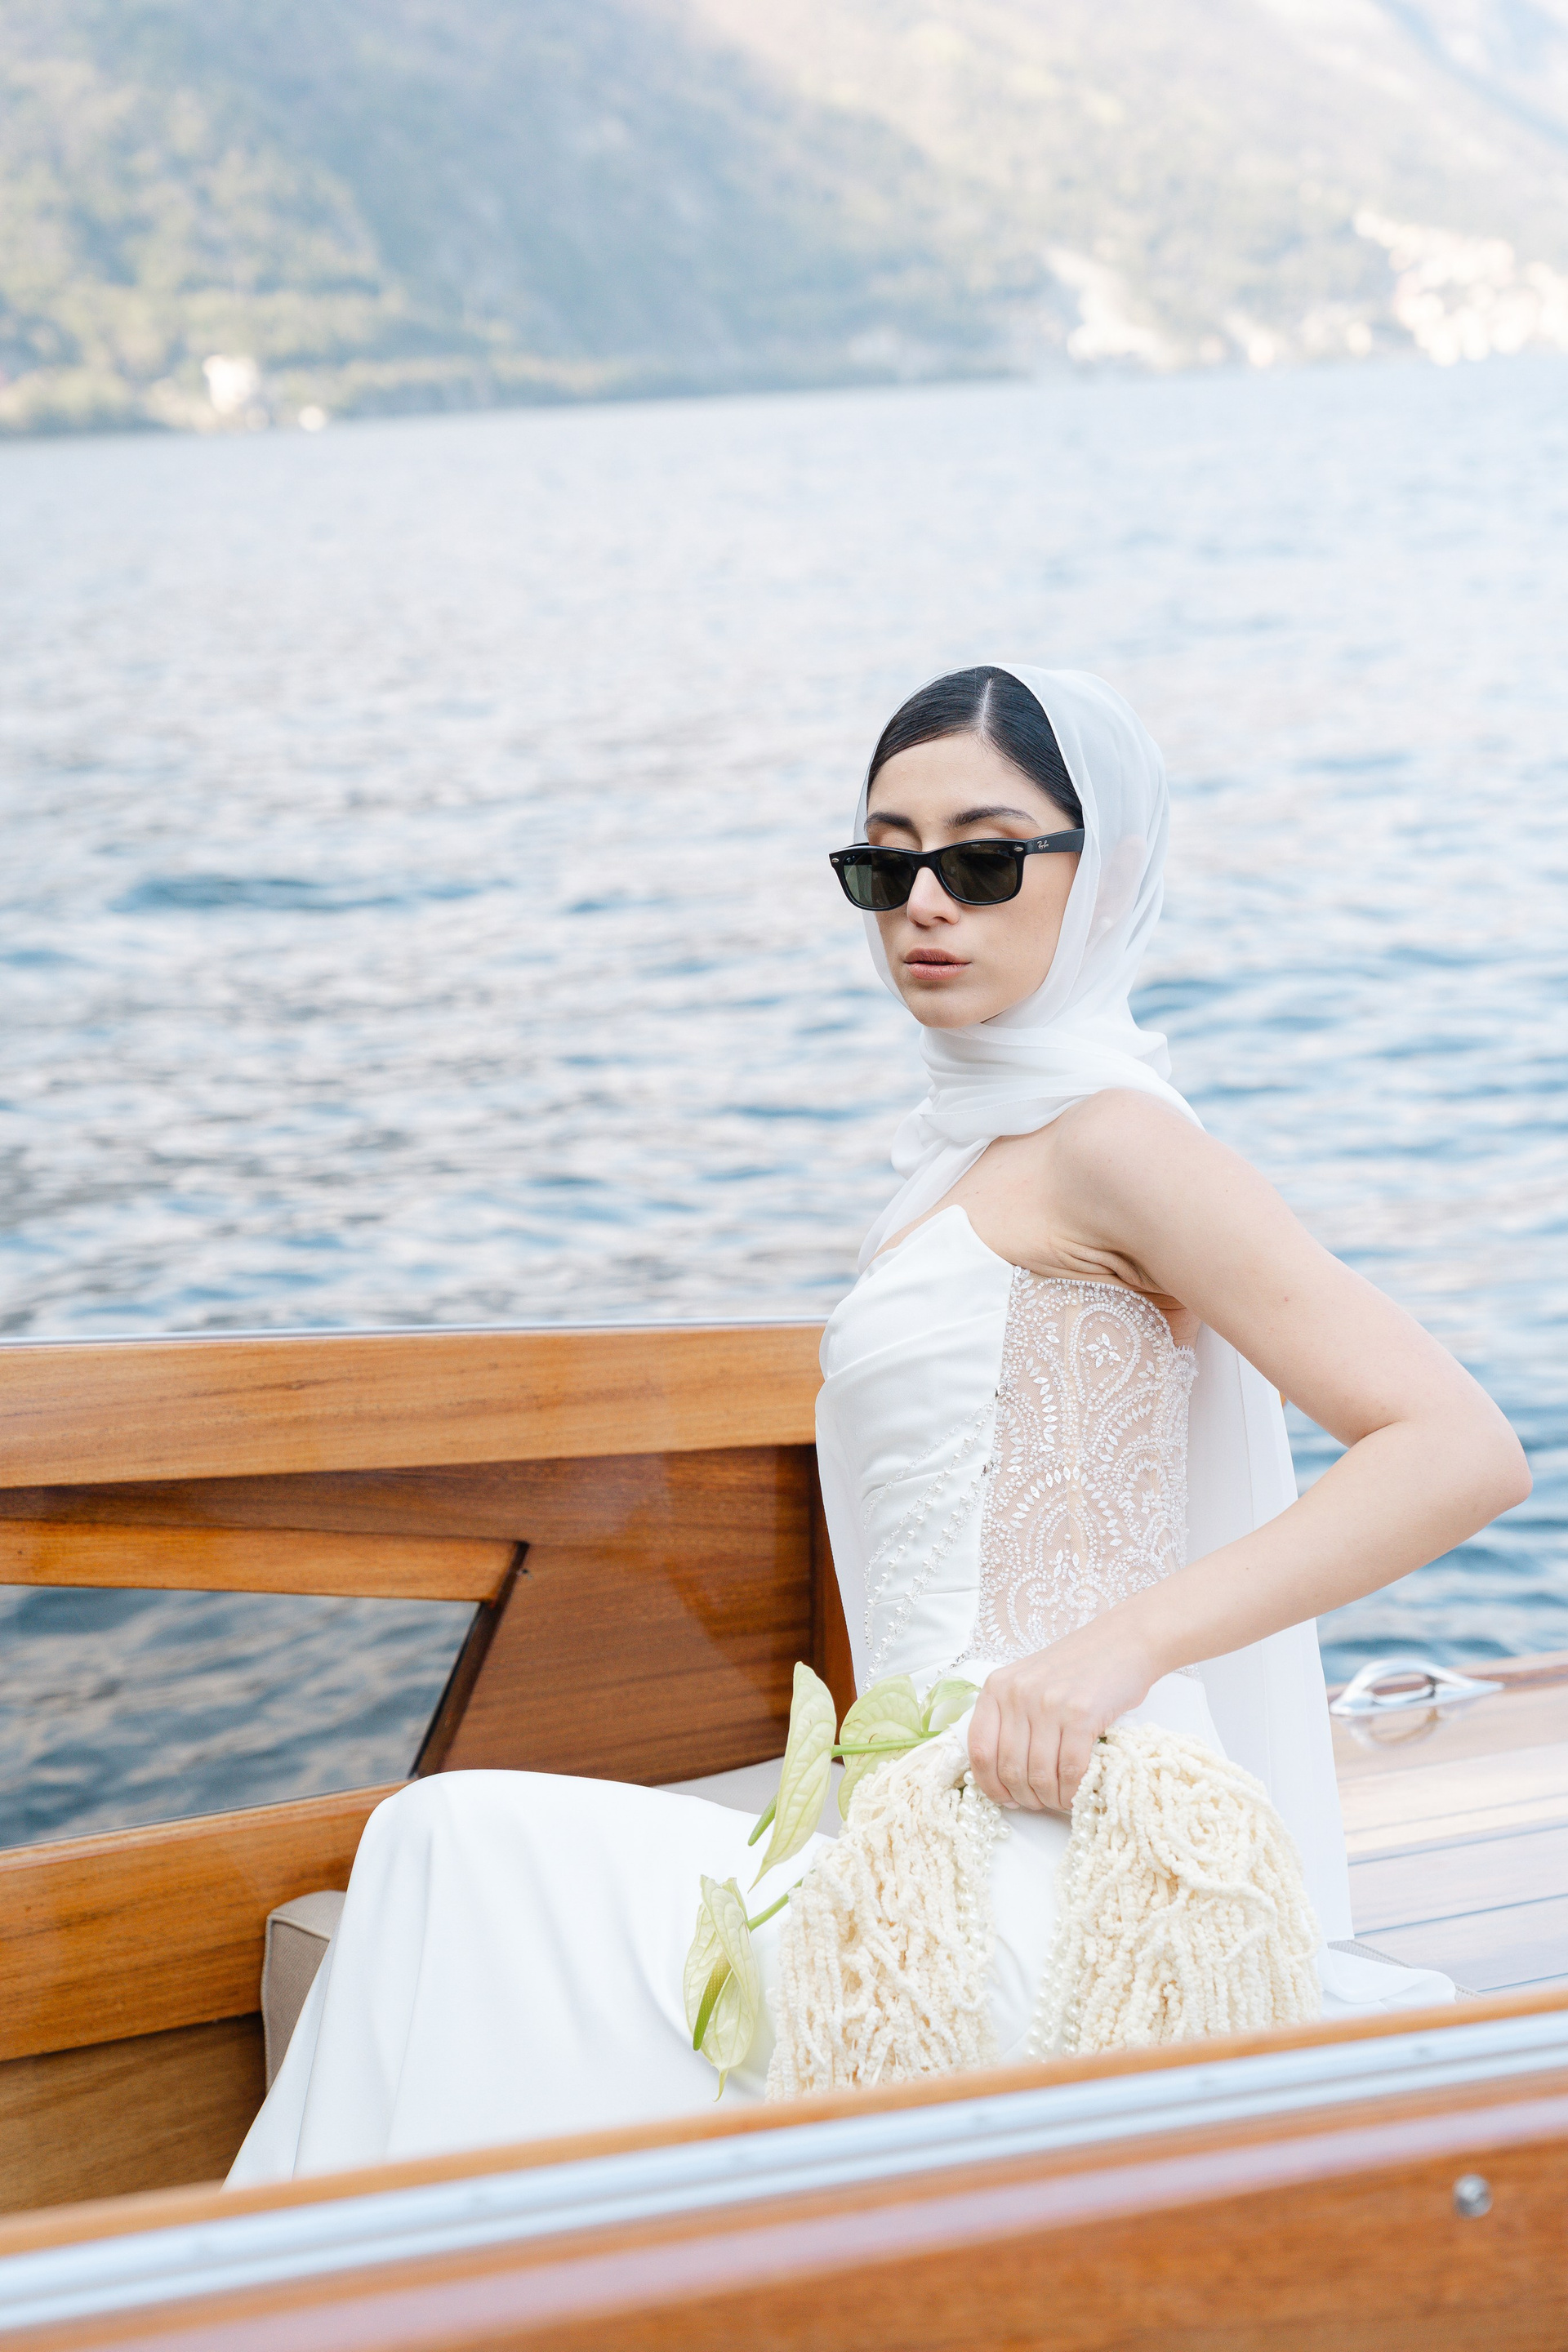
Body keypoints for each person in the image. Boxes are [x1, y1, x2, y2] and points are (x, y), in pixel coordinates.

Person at [229, 665, 1528, 2182]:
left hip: (1068, 1822)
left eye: (984, 860)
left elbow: (1456, 1445)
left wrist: (1118, 1650)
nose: (925, 903)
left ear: (1102, 876)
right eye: (884, 863)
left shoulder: (1115, 1143)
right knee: (452, 1857)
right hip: (923, 1819)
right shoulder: (954, 1166)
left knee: (452, 1843)